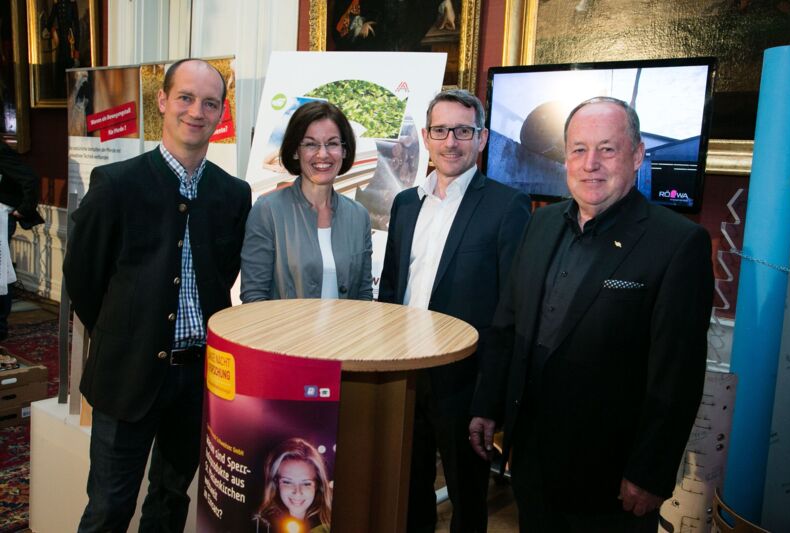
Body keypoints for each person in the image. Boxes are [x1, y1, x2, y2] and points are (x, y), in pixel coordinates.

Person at [469, 97, 714, 532]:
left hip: (610, 481)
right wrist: (488, 405)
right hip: (531, 460)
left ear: (636, 155)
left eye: (607, 149)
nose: (591, 164)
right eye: (579, 149)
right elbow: (508, 325)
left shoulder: (678, 244)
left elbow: (677, 376)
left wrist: (650, 472)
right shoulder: (540, 224)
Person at [63, 58, 251, 532]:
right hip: (126, 374)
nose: (196, 111)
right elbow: (83, 277)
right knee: (109, 508)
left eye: (210, 103)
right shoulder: (116, 185)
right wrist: (126, 332)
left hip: (197, 378)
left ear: (221, 112)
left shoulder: (233, 194)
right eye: (185, 98)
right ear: (162, 101)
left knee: (170, 501)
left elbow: (222, 274)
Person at [378, 89, 531, 532]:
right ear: (426, 137)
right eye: (441, 130)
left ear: (482, 139)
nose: (451, 142)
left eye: (463, 131)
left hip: (464, 385)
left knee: (467, 501)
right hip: (406, 374)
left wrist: (489, 398)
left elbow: (510, 311)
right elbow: (391, 290)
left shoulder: (507, 206)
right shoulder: (406, 203)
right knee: (409, 493)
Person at [240, 100, 372, 303]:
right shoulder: (268, 211)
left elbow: (364, 295)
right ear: (296, 151)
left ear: (344, 151)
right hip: (284, 325)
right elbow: (254, 295)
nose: (323, 154)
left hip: (346, 325)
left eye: (332, 143)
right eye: (311, 144)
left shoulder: (359, 215)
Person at [0, 140, 45, 342]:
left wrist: (24, 209)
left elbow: (30, 178)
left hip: (2, 217)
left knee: (1, 273)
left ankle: (0, 328)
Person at [256, 438, 332, 533]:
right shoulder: (260, 525)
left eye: (306, 483)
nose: (297, 492)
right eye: (287, 482)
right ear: (276, 483)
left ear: (318, 485)